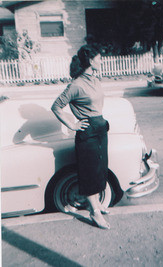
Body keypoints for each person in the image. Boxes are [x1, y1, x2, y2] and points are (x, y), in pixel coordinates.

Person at [51, 44, 110, 229]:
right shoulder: (76, 85)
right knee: (90, 172)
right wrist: (72, 124)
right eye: (99, 58)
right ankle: (95, 212)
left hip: (100, 129)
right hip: (88, 133)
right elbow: (56, 106)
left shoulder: (95, 80)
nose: (101, 60)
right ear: (91, 61)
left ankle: (98, 205)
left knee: (100, 168)